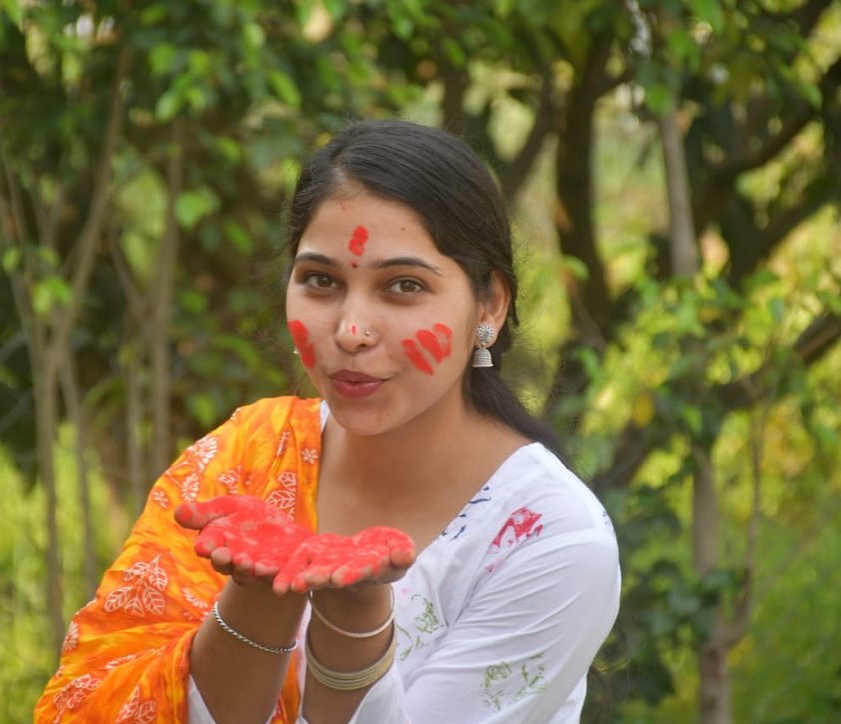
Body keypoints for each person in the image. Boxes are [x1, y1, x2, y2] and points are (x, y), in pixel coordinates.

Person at [34, 119, 620, 723]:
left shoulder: (550, 540)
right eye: (321, 281)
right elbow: (91, 698)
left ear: (489, 305)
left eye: (403, 286)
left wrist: (356, 620)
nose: (350, 331)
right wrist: (257, 602)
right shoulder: (243, 461)